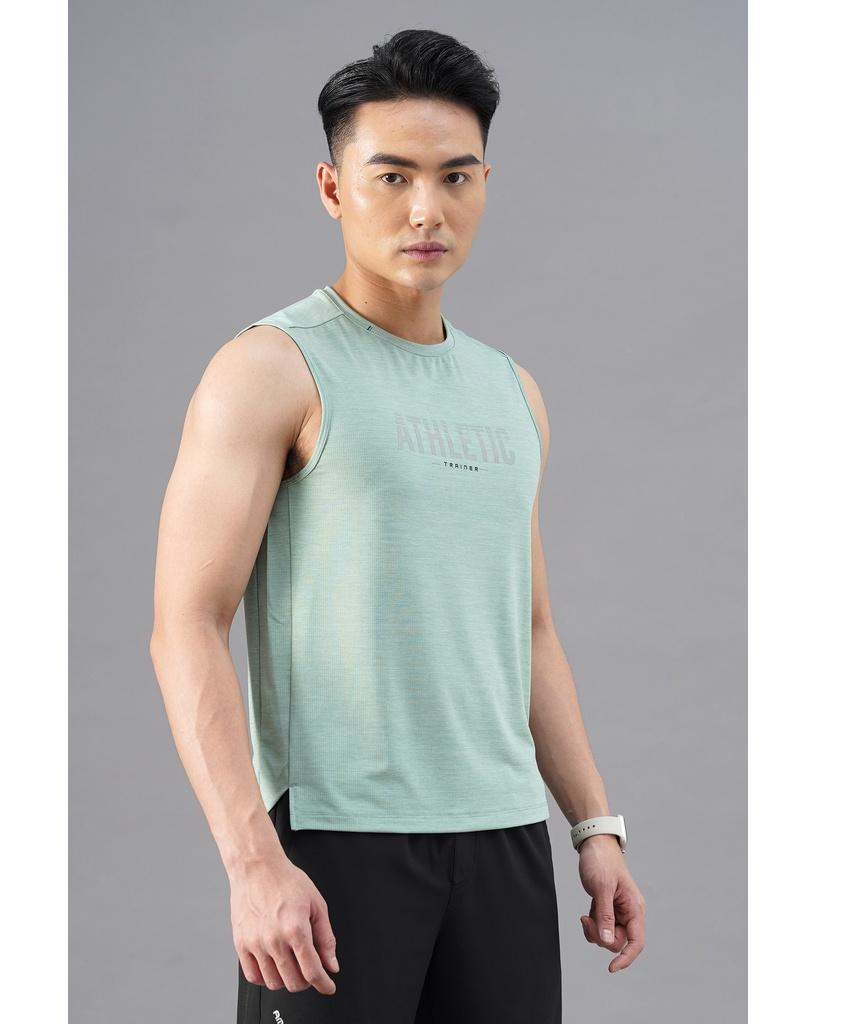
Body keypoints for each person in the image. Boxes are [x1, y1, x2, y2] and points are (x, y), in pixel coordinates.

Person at [149, 27, 646, 1023]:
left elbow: (529, 630)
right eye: (392, 177)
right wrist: (253, 861)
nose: (427, 208)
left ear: (485, 185)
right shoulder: (270, 369)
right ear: (333, 188)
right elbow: (184, 626)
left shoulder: (512, 392)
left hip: (503, 839)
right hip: (337, 839)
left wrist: (594, 826)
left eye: (455, 176)